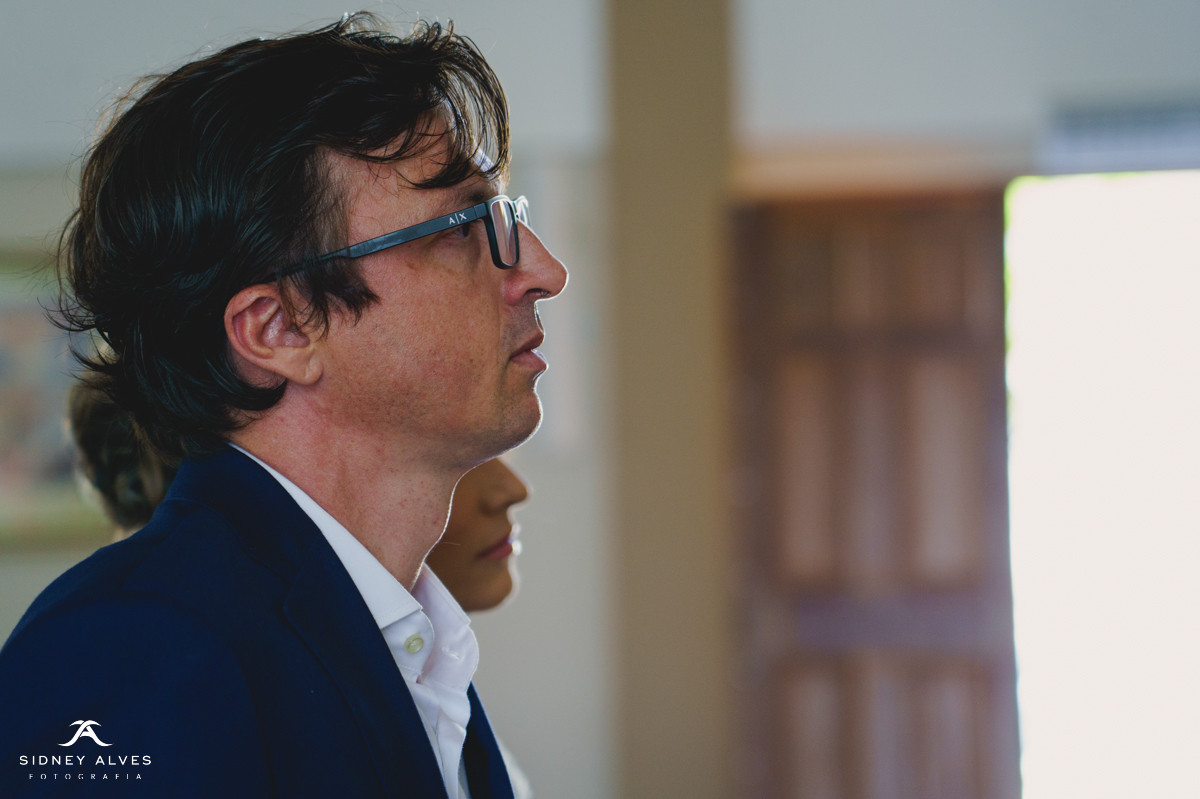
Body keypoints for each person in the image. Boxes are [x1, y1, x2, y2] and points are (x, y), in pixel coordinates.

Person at [0, 13, 566, 799]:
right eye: (464, 227)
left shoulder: (413, 640)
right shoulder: (131, 649)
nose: (544, 270)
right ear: (279, 329)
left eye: (505, 216)